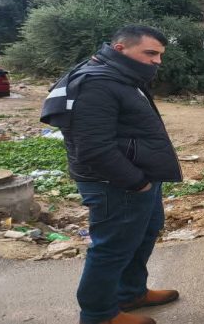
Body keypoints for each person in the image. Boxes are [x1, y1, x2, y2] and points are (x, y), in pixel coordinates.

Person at [41, 25, 182, 324]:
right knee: (112, 248)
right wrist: (137, 182)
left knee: (143, 235)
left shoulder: (123, 76)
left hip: (137, 177)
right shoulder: (96, 83)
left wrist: (145, 180)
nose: (157, 61)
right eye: (151, 53)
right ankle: (99, 315)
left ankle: (130, 293)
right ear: (121, 48)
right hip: (115, 184)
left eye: (160, 55)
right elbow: (93, 148)